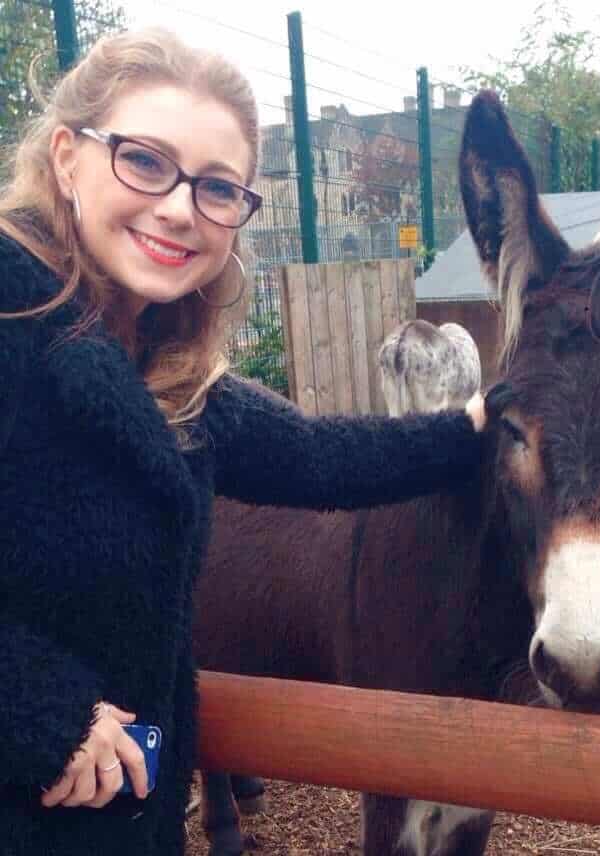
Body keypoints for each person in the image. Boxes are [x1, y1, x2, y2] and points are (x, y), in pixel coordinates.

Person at [0, 28, 485, 856]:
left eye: (218, 188)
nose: (181, 207)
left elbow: (316, 455)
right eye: (145, 161)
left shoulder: (167, 370)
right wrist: (37, 707)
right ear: (67, 157)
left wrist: (481, 425)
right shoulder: (13, 315)